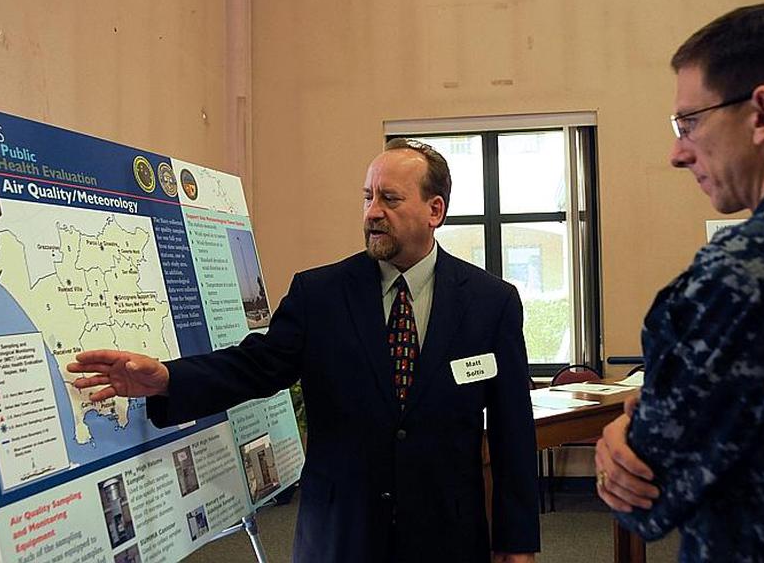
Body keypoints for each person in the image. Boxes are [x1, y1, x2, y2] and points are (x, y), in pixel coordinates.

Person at [69, 138, 539, 563]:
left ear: (434, 210)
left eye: (390, 199)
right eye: (368, 197)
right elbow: (255, 366)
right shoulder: (320, 294)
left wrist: (516, 543)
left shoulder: (490, 304)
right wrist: (169, 378)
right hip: (339, 535)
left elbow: (511, 431)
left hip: (447, 538)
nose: (373, 211)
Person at [593, 3, 764, 561]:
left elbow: (643, 494)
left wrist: (623, 434)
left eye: (690, 123)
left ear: (762, 112)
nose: (677, 152)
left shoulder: (745, 273)